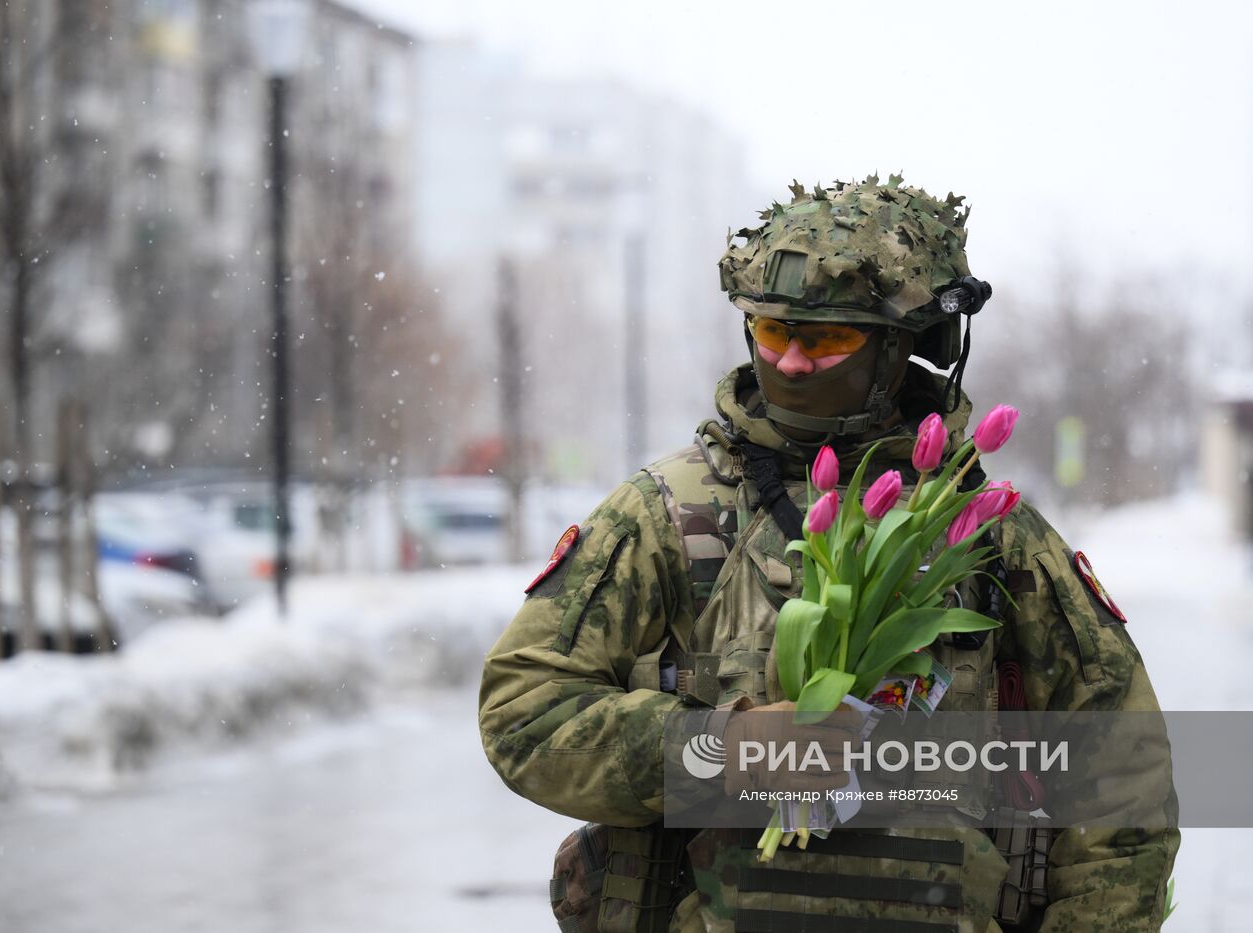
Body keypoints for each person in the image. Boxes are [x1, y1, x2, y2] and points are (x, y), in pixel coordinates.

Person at [479, 175, 1178, 932]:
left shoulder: (990, 533)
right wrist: (722, 748)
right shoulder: (666, 516)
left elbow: (1122, 782)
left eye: (826, 339)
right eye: (773, 332)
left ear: (907, 343)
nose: (792, 362)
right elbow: (524, 713)